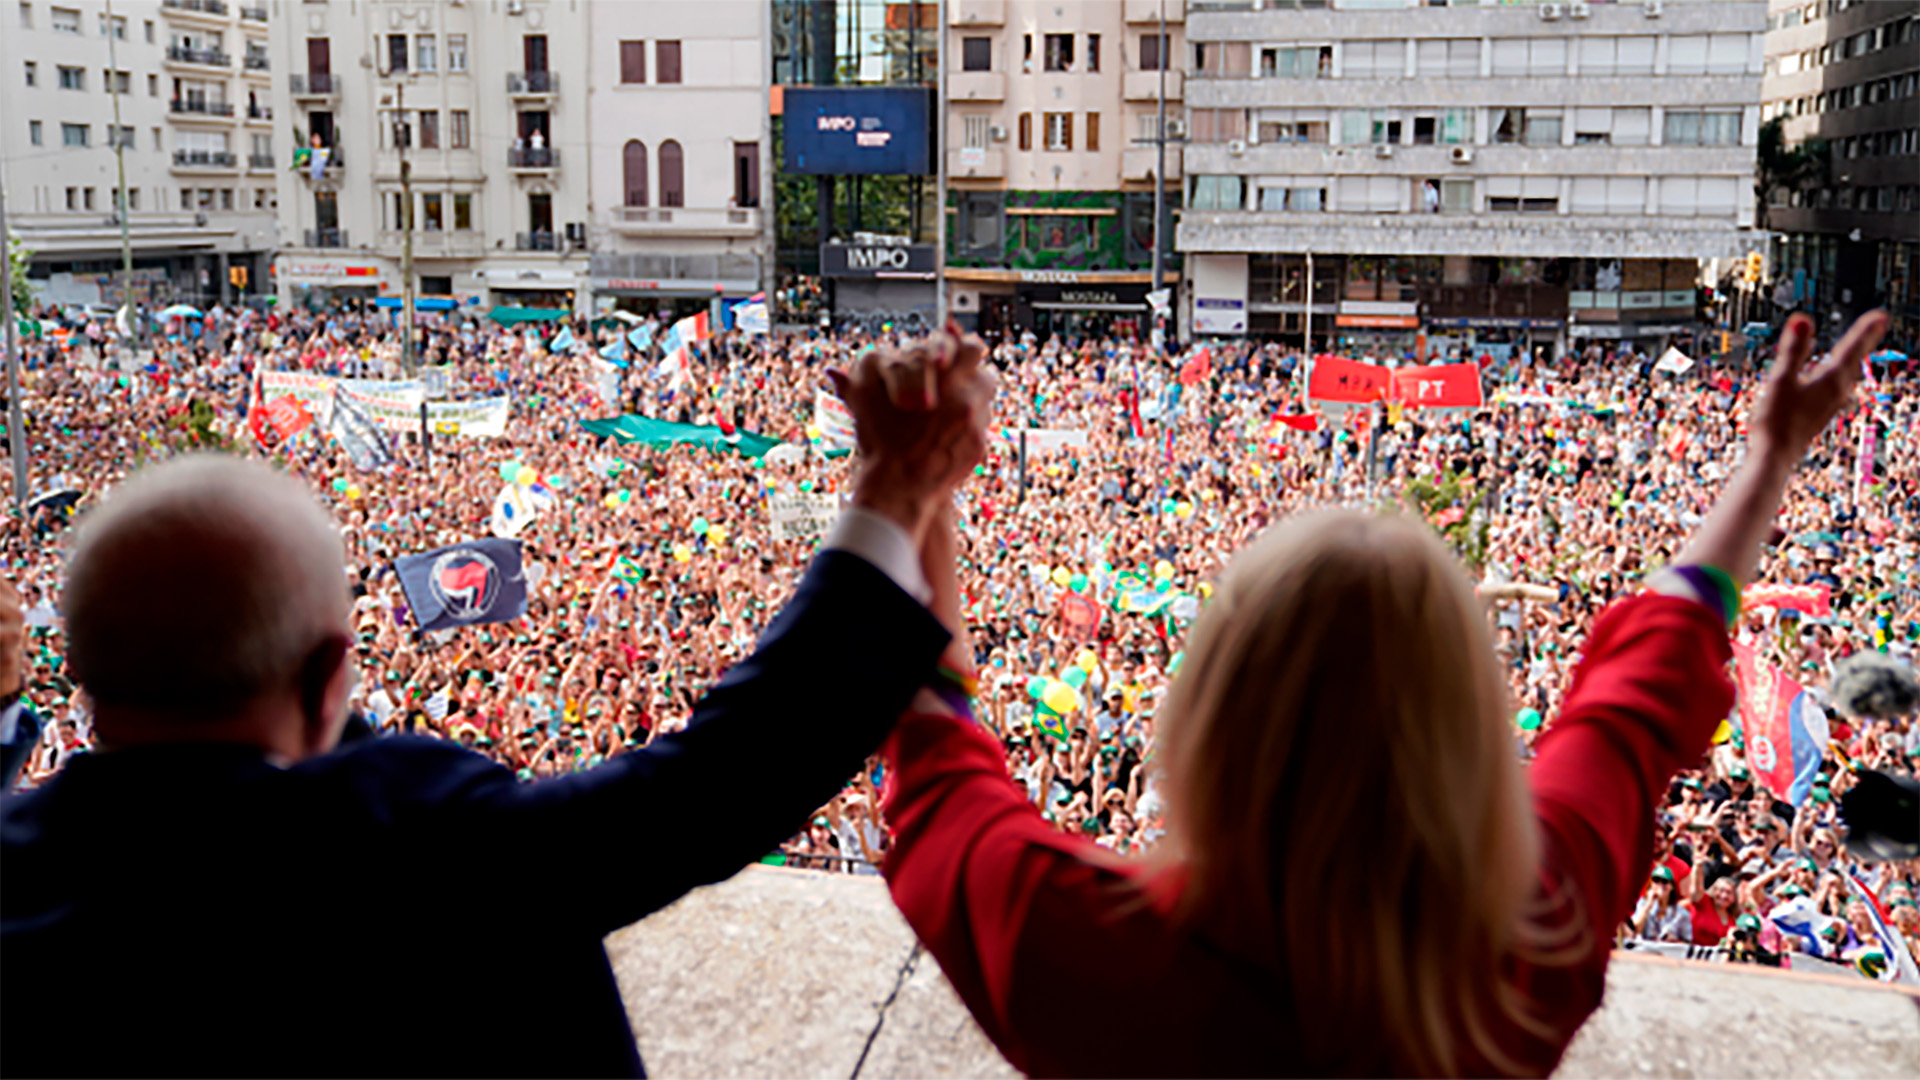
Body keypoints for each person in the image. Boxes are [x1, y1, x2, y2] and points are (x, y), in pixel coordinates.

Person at [872, 309, 1889, 1076]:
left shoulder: (1089, 945)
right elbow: (1645, 683)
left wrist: (913, 492)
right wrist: (1772, 458)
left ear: (1208, 717)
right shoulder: (1532, 936)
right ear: (1466, 720)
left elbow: (936, 764)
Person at [0, 334, 995, 1077]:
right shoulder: (399, 845)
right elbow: (715, 784)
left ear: (78, 673)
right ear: (327, 675)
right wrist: (890, 488)